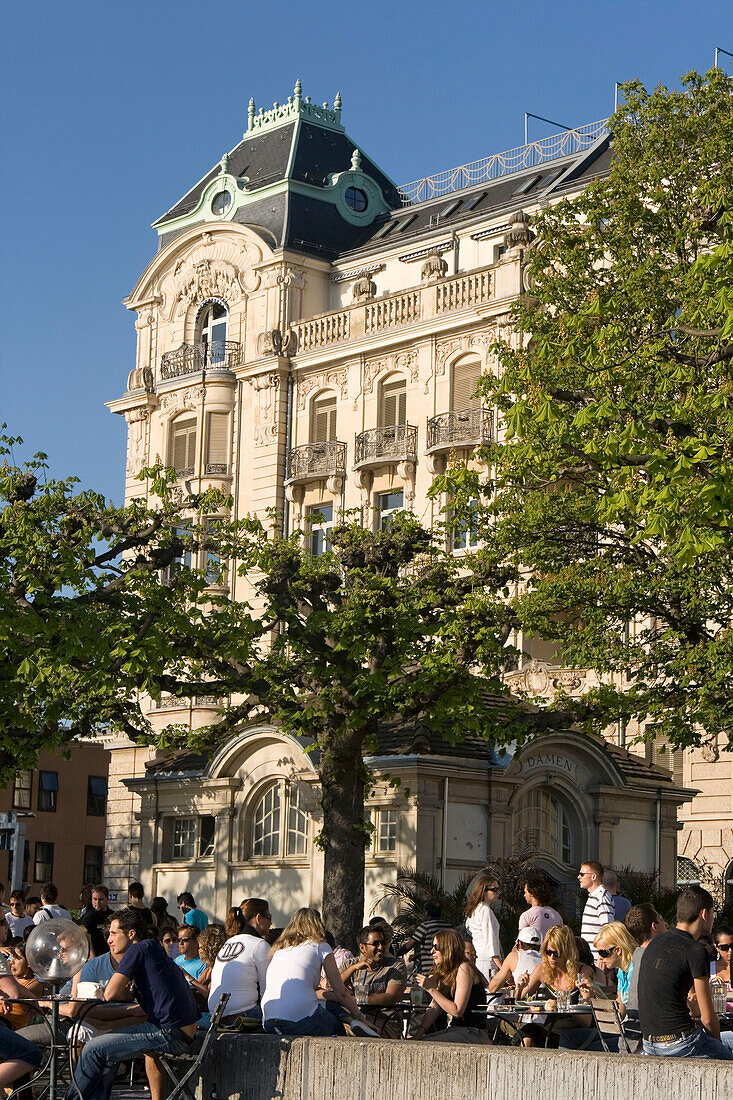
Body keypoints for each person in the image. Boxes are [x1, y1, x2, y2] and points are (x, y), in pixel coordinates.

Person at [64, 910, 200, 1100]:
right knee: (106, 1049)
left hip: (168, 1032)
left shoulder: (137, 949)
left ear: (131, 934)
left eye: (113, 933)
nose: (109, 940)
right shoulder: (153, 948)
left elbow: (109, 993)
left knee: (93, 1049)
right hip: (181, 1030)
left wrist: (120, 991)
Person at [637, 885, 733, 1059]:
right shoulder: (696, 950)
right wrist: (717, 1048)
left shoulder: (655, 943)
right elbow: (708, 1019)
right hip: (681, 1044)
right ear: (704, 914)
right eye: (712, 914)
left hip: (649, 1043)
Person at [261, 907, 367, 1037]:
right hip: (302, 1020)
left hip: (269, 1022)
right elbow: (341, 992)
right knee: (338, 1028)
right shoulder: (320, 946)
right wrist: (359, 1015)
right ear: (318, 925)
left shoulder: (279, 950)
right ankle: (352, 1022)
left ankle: (349, 1019)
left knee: (323, 1005)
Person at [515, 925, 594, 1047]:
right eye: (548, 952)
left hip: (574, 1031)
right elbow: (521, 1002)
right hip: (550, 1029)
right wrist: (519, 988)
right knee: (525, 1037)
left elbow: (586, 1021)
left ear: (567, 952)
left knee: (560, 1039)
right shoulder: (543, 969)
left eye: (556, 954)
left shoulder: (583, 972)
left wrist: (562, 1004)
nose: (551, 958)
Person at [412, 929, 490, 1044]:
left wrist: (431, 989)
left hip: (473, 1032)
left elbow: (457, 1011)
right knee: (419, 1043)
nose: (431, 951)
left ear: (447, 948)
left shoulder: (464, 968)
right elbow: (434, 1007)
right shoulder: (447, 972)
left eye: (435, 946)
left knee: (427, 1044)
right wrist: (418, 1035)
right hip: (456, 1030)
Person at [208, 899, 271, 1022]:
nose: (271, 922)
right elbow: (267, 991)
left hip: (215, 1016)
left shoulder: (228, 942)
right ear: (258, 918)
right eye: (268, 917)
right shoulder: (259, 944)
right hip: (243, 1015)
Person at [340, 926, 406, 1037]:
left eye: (383, 943)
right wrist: (353, 969)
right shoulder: (350, 964)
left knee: (353, 1030)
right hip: (358, 1017)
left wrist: (358, 1000)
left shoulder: (395, 966)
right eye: (375, 944)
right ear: (362, 947)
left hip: (385, 1021)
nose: (381, 947)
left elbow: (391, 997)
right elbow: (333, 987)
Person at [0, 961, 43, 1088]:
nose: (11, 960)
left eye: (17, 957)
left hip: (9, 1024)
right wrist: (36, 1002)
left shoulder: (34, 983)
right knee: (31, 1054)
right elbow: (15, 992)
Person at [625, 903, 666, 1015]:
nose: (664, 922)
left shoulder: (637, 954)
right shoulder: (659, 954)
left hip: (632, 1018)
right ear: (654, 926)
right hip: (649, 1022)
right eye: (661, 918)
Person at [593, 921, 638, 1014]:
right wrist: (595, 989)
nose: (600, 958)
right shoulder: (622, 972)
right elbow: (619, 1013)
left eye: (603, 953)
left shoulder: (636, 969)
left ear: (618, 950)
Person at [464, 875, 502, 982]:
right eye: (494, 890)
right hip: (488, 959)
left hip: (479, 956)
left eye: (498, 889)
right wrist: (503, 968)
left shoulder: (475, 909)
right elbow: (491, 941)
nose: (498, 892)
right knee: (491, 994)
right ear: (483, 891)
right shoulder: (485, 910)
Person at [488, 927, 542, 995]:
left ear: (519, 943)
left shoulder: (514, 957)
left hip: (523, 1004)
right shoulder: (548, 959)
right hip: (546, 1003)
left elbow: (492, 988)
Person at [578, 862, 614, 961]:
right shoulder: (594, 897)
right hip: (590, 957)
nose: (579, 877)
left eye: (582, 874)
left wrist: (603, 957)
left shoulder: (601, 897)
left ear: (593, 877)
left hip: (597, 959)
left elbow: (608, 928)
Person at [518, 872, 563, 940]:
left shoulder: (526, 916)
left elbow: (520, 942)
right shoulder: (557, 915)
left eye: (525, 892)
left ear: (532, 893)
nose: (524, 895)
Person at [78, 886, 115, 957]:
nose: (97, 902)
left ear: (107, 899)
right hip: (94, 956)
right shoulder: (87, 917)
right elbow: (83, 938)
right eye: (95, 899)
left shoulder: (113, 916)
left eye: (101, 899)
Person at [712, 925, 733, 992]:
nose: (730, 951)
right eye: (724, 947)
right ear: (717, 947)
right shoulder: (708, 968)